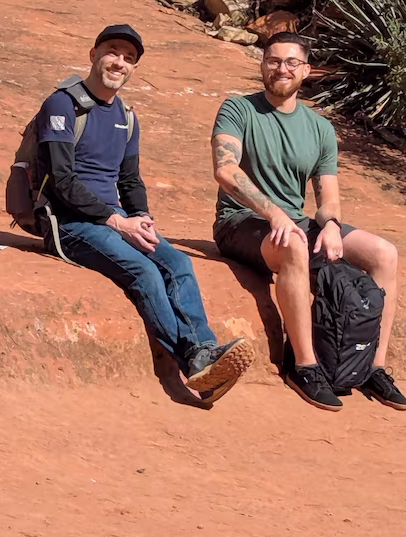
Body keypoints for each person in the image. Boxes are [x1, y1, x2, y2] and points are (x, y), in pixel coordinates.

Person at [36, 24, 254, 400]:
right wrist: (117, 220)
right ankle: (193, 361)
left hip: (113, 220)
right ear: (93, 54)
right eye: (113, 51)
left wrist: (143, 219)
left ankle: (206, 352)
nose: (119, 62)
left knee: (178, 264)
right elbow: (60, 179)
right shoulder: (62, 103)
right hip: (67, 222)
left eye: (129, 58)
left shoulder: (126, 116)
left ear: (134, 68)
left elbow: (130, 179)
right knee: (144, 272)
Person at [210, 31, 406, 412]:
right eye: (272, 61)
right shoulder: (238, 110)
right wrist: (273, 213)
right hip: (241, 222)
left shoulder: (320, 129)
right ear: (262, 65)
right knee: (294, 245)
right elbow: (225, 170)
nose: (280, 69)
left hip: (296, 221)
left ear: (306, 70)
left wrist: (332, 224)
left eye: (290, 62)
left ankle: (373, 366)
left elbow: (328, 195)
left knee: (384, 253)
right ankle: (303, 365)